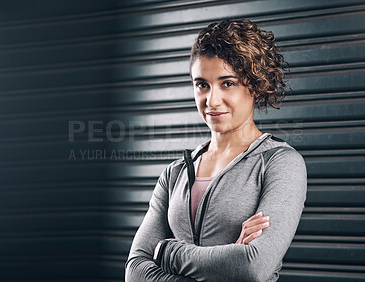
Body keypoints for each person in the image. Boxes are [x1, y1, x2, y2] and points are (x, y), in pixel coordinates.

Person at [125, 18, 307, 282]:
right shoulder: (176, 173)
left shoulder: (279, 163)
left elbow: (252, 266)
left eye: (227, 83)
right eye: (202, 85)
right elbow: (134, 272)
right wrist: (227, 257)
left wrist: (166, 251)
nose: (211, 100)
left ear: (254, 86)